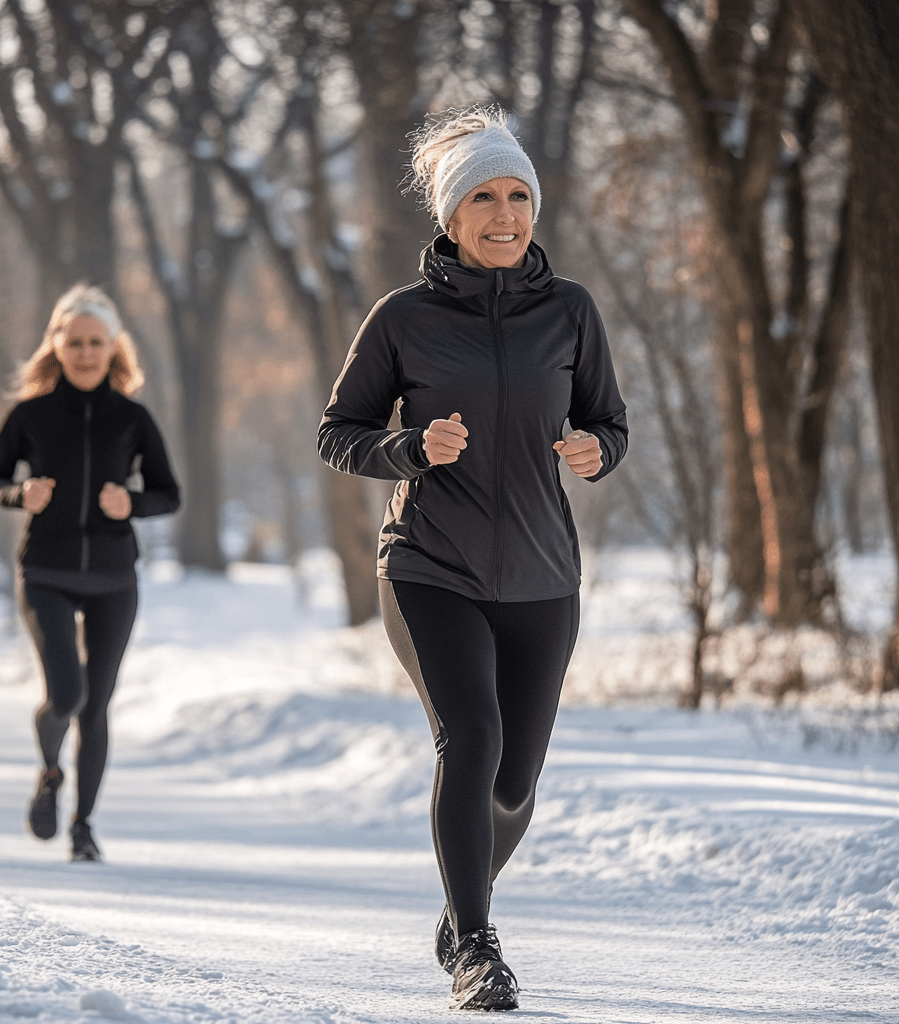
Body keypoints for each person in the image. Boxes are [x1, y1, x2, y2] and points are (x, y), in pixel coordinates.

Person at [318, 106, 628, 1010]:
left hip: (543, 577)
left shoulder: (570, 310)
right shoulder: (402, 318)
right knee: (473, 735)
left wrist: (596, 452)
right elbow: (340, 434)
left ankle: (463, 906)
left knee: (515, 779)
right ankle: (477, 947)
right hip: (428, 567)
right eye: (484, 198)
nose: (506, 214)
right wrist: (410, 448)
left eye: (519, 195)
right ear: (451, 217)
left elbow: (609, 420)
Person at [0, 283, 180, 863]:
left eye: (97, 342)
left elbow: (170, 493)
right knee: (66, 694)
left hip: (115, 578)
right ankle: (50, 771)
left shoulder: (133, 418)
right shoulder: (30, 414)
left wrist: (133, 503)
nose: (87, 353)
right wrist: (22, 493)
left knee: (97, 705)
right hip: (45, 570)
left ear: (114, 347)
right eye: (76, 343)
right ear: (57, 346)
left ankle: (84, 826)